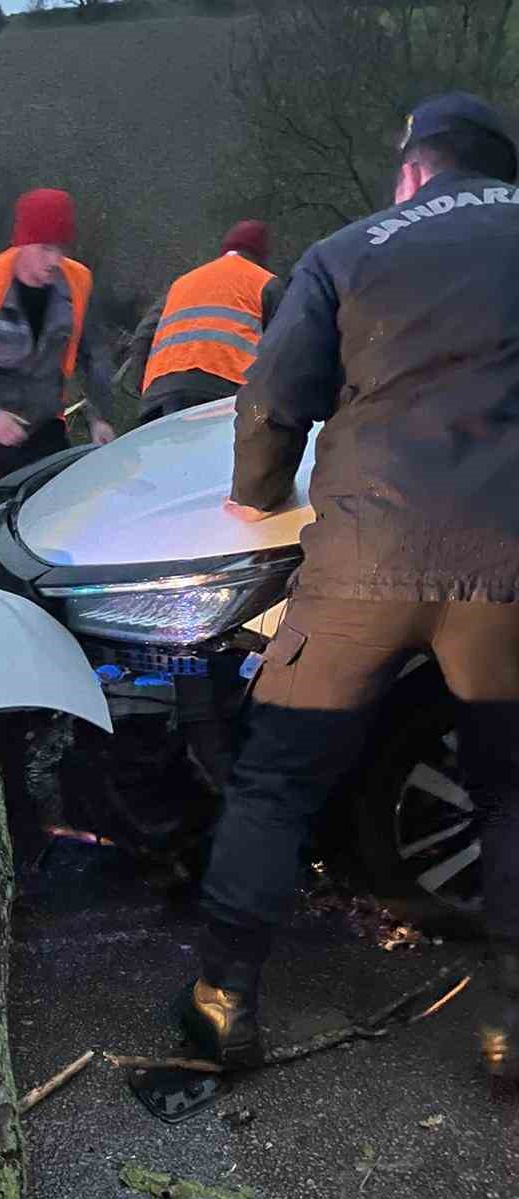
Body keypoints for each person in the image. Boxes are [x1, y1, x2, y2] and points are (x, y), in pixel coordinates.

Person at [177, 92, 519, 1083]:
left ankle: (224, 1005)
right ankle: (510, 1030)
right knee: (509, 789)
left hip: (365, 562)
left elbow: (275, 399)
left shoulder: (349, 248)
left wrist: (255, 495)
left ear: (417, 167)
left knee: (278, 778)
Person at [0, 188, 115, 522]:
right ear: (22, 242)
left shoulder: (79, 282)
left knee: (56, 524)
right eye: (44, 248)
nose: (54, 260)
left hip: (45, 430)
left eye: (61, 249)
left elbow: (95, 355)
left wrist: (101, 417)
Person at [127, 221, 283, 423]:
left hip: (161, 397)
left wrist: (146, 390)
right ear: (261, 256)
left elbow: (143, 336)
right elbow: (284, 349)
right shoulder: (265, 282)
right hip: (224, 394)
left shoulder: (182, 283)